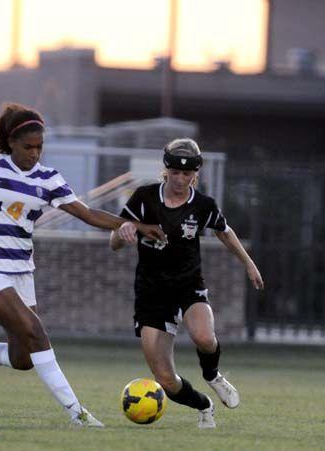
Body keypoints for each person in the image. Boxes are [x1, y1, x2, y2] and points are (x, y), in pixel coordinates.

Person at [0, 103, 166, 427]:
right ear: (11, 142)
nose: (34, 153)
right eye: (28, 147)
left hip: (22, 272)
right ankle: (78, 414)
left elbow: (89, 214)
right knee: (38, 333)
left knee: (23, 359)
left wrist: (137, 227)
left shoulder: (49, 178)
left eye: (40, 147)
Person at [109, 138, 264, 429]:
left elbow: (225, 232)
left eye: (187, 174)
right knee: (165, 380)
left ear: (196, 174)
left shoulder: (204, 205)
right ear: (165, 170)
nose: (180, 179)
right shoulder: (143, 197)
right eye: (175, 173)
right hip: (151, 292)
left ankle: (213, 376)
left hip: (187, 284)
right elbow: (114, 243)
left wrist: (248, 262)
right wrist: (123, 230)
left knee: (205, 338)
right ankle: (203, 405)